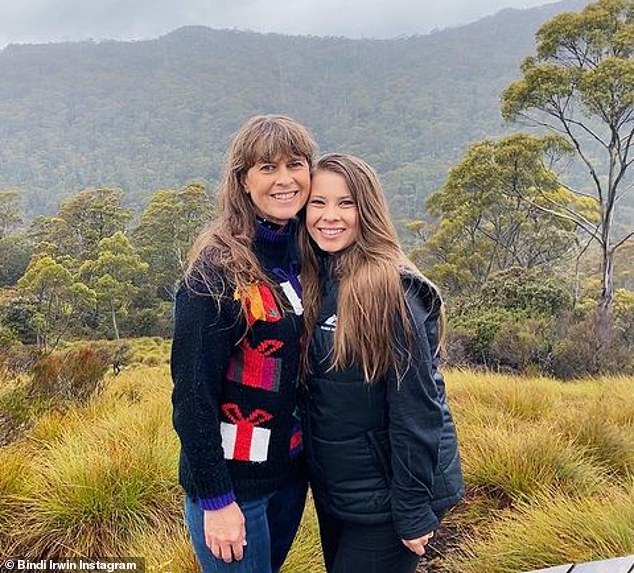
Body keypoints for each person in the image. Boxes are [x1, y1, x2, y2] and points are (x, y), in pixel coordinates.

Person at [298, 153, 464, 573]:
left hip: (389, 498)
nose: (329, 216)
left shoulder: (392, 292)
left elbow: (418, 409)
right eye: (318, 203)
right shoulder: (320, 277)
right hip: (342, 490)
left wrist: (410, 507)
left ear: (367, 209)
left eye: (346, 203)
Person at [171, 115, 317, 573]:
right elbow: (192, 397)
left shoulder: (306, 257)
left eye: (295, 164)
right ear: (243, 181)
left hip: (291, 477)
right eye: (267, 167)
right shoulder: (214, 272)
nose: (284, 179)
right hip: (234, 491)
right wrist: (216, 501)